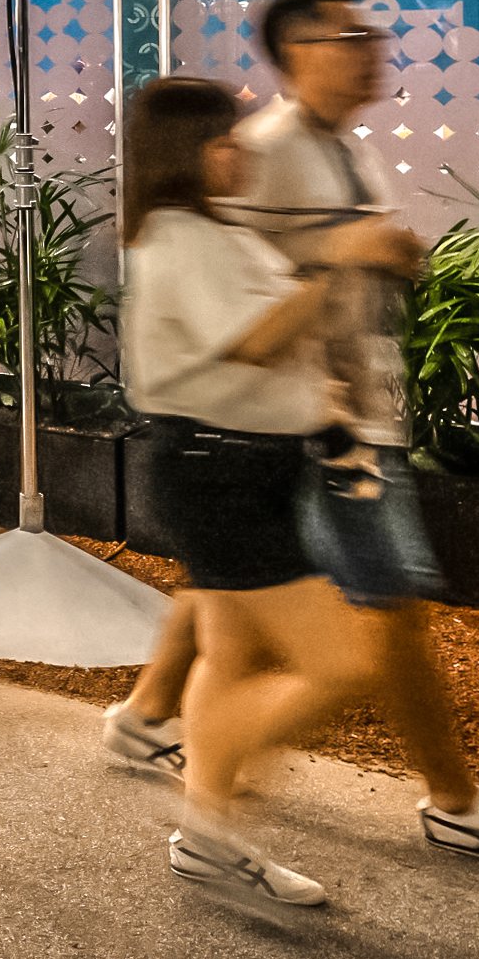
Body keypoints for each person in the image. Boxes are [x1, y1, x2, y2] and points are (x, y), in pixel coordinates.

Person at [104, 0, 479, 880]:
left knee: (237, 614)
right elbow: (234, 302)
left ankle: (154, 735)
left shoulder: (335, 149)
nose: (374, 47)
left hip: (314, 425)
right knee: (383, 620)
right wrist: (345, 269)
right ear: (296, 52)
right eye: (351, 34)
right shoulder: (258, 154)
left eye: (375, 32)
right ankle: (455, 807)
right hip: (315, 430)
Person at [112, 72, 424, 908]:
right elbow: (252, 340)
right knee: (343, 660)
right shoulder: (184, 236)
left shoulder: (206, 232)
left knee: (232, 653)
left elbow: (277, 333)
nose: (242, 153)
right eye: (226, 141)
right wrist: (345, 261)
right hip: (220, 471)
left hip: (234, 465)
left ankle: (206, 828)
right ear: (189, 153)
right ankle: (205, 829)